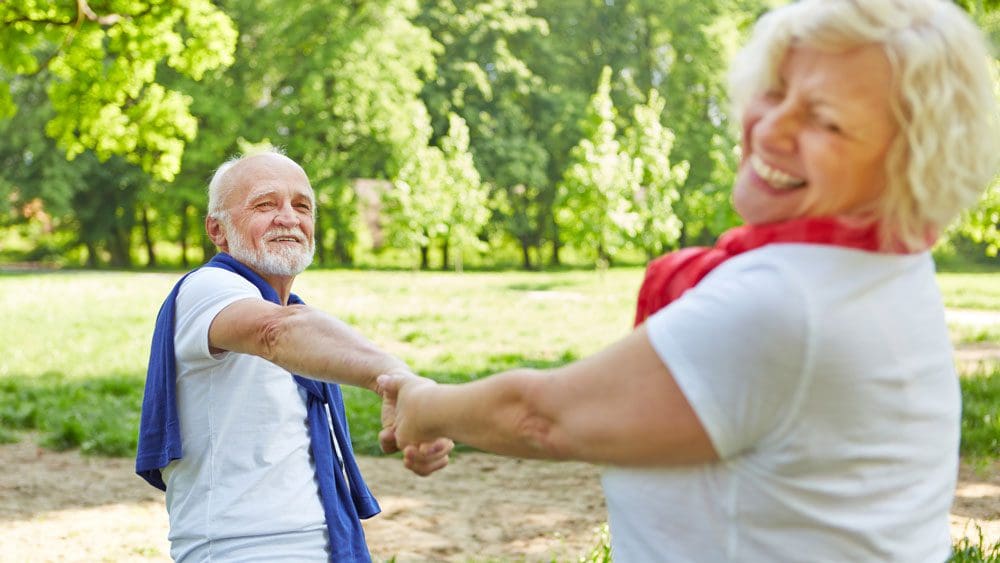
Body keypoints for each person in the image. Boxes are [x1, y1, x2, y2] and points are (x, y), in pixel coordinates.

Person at [378, 1, 1000, 560]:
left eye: (827, 121)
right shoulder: (884, 263)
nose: (770, 128)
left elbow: (541, 418)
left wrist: (422, 407)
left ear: (909, 160)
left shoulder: (785, 302)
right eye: (776, 89)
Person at [135, 148, 451, 562]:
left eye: (302, 206)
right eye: (265, 204)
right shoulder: (207, 289)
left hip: (327, 544)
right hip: (244, 549)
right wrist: (398, 381)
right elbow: (275, 333)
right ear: (217, 229)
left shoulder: (297, 318)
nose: (289, 217)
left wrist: (414, 409)